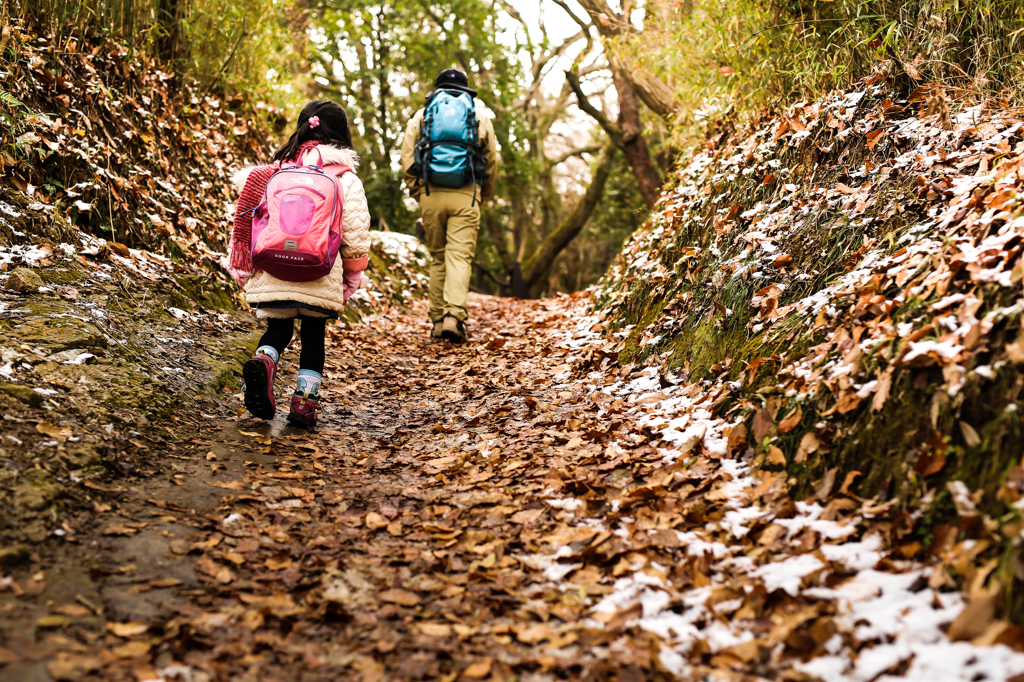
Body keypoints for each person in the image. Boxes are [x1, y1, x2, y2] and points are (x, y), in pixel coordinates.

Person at [228, 101, 370, 427]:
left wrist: (244, 265)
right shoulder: (344, 178)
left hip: (273, 270)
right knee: (313, 337)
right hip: (319, 274)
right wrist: (351, 277)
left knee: (277, 329)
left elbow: (249, 219)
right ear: (341, 135)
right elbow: (356, 236)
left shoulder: (272, 172)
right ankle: (304, 405)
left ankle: (264, 360)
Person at [401, 68, 498, 343]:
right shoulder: (478, 115)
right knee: (459, 256)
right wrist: (481, 194)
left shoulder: (422, 116)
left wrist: (418, 190)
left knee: (438, 256)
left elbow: (407, 159)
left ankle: (436, 320)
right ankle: (453, 319)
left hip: (430, 192)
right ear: (466, 91)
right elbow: (491, 160)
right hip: (466, 194)